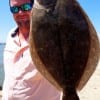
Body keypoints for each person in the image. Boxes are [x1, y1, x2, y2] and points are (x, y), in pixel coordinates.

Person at [2, 0, 61, 99]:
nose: (20, 12)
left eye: (25, 7)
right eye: (14, 9)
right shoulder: (10, 35)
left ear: (35, 6)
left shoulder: (51, 37)